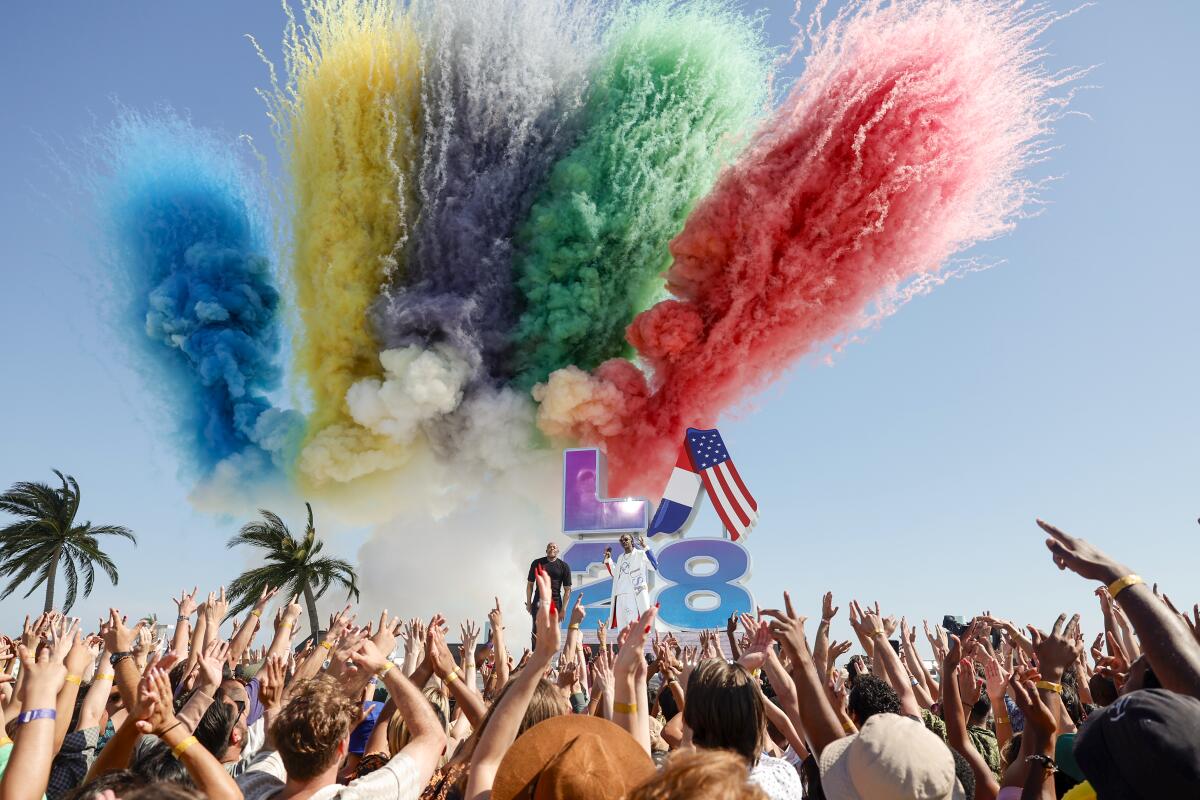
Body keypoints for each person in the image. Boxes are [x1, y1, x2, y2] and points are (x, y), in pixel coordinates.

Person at [604, 533, 658, 630]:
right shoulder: (621, 557)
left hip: (632, 595)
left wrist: (645, 547)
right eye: (621, 540)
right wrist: (609, 559)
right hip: (620, 595)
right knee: (622, 629)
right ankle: (623, 645)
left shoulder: (640, 554)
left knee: (632, 626)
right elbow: (615, 574)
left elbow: (654, 566)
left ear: (632, 541)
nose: (624, 542)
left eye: (626, 539)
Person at [525, 542, 572, 649]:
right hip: (538, 601)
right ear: (546, 550)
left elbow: (567, 589)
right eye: (549, 547)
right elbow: (530, 585)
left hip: (555, 603)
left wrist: (564, 609)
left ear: (557, 551)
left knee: (551, 632)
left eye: (554, 547)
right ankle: (534, 657)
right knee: (536, 630)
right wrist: (529, 603)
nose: (552, 548)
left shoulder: (564, 566)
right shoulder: (537, 563)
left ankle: (548, 661)